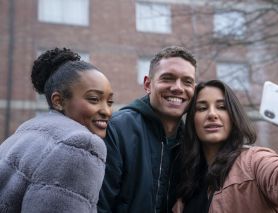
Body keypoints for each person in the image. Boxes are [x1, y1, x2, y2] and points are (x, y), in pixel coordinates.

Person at [173, 79, 278, 213]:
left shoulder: (255, 161)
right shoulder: (185, 182)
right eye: (202, 108)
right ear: (192, 121)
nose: (212, 114)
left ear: (233, 116)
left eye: (222, 107)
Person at [0, 48, 114, 213]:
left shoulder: (26, 133)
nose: (107, 111)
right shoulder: (80, 145)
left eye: (110, 102)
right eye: (94, 99)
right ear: (58, 101)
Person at [97, 46, 197, 213]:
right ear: (148, 84)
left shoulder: (193, 143)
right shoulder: (116, 130)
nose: (178, 88)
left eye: (187, 81)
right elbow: (98, 206)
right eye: (168, 78)